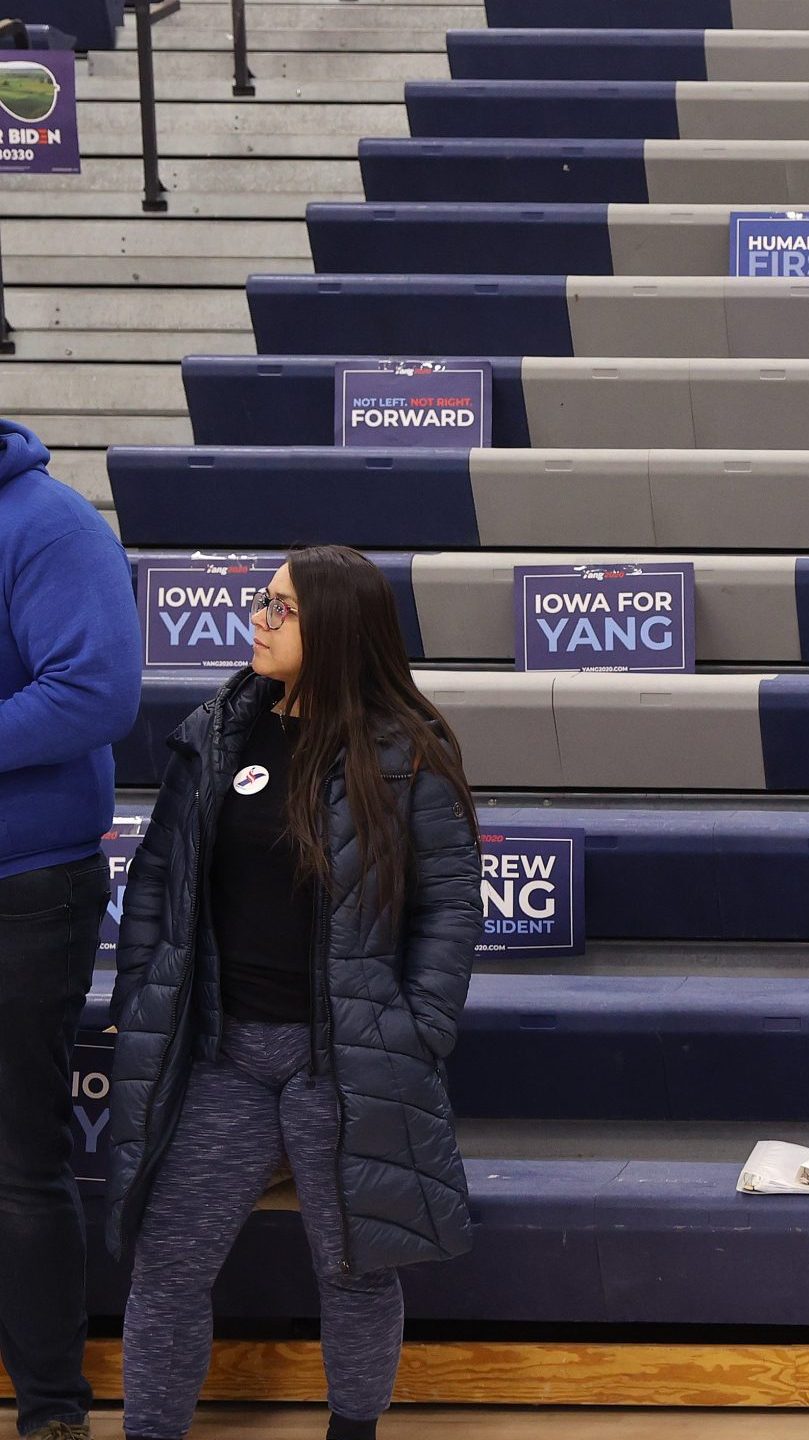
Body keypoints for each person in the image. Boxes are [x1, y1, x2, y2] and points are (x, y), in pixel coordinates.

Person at [106, 546, 482, 1440]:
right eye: (260, 603)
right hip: (222, 1055)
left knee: (353, 1268)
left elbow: (449, 905)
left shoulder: (405, 754)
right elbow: (158, 876)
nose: (258, 621)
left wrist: (417, 1026)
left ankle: (353, 1430)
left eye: (281, 609)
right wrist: (141, 994)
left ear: (337, 628)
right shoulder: (218, 731)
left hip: (340, 1063)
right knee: (167, 1265)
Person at [0, 419, 143, 1440]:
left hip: (23, 887)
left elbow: (96, 692)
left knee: (16, 1162)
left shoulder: (47, 522)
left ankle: (52, 1411)